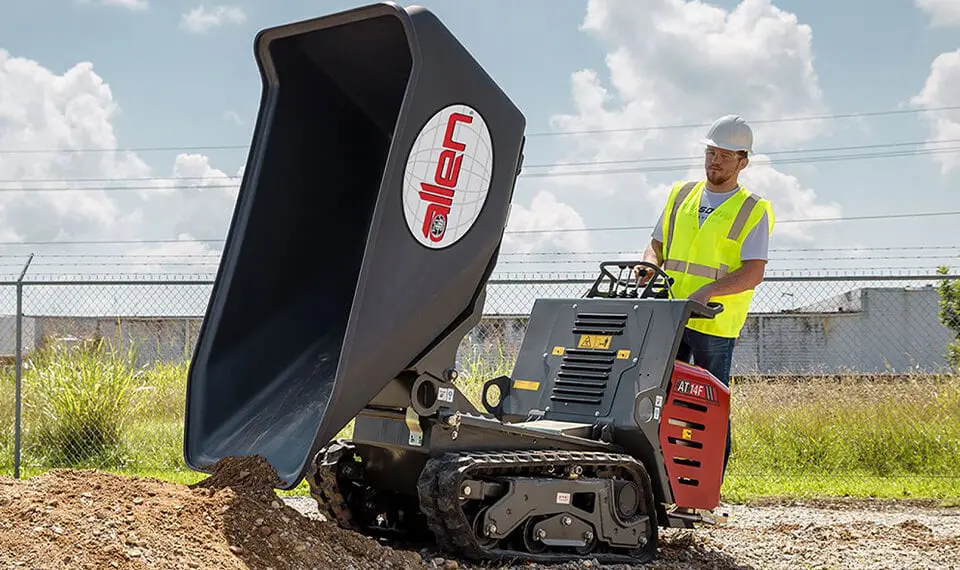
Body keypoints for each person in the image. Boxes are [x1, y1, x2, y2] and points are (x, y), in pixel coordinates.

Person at [635, 114, 775, 482]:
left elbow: (753, 271)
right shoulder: (681, 194)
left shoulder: (753, 209)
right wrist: (649, 265)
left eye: (725, 156)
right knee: (657, 399)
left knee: (710, 406)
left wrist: (710, 290)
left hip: (715, 321)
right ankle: (663, 480)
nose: (715, 161)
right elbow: (656, 245)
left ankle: (707, 485)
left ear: (743, 162)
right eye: (712, 152)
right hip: (670, 316)